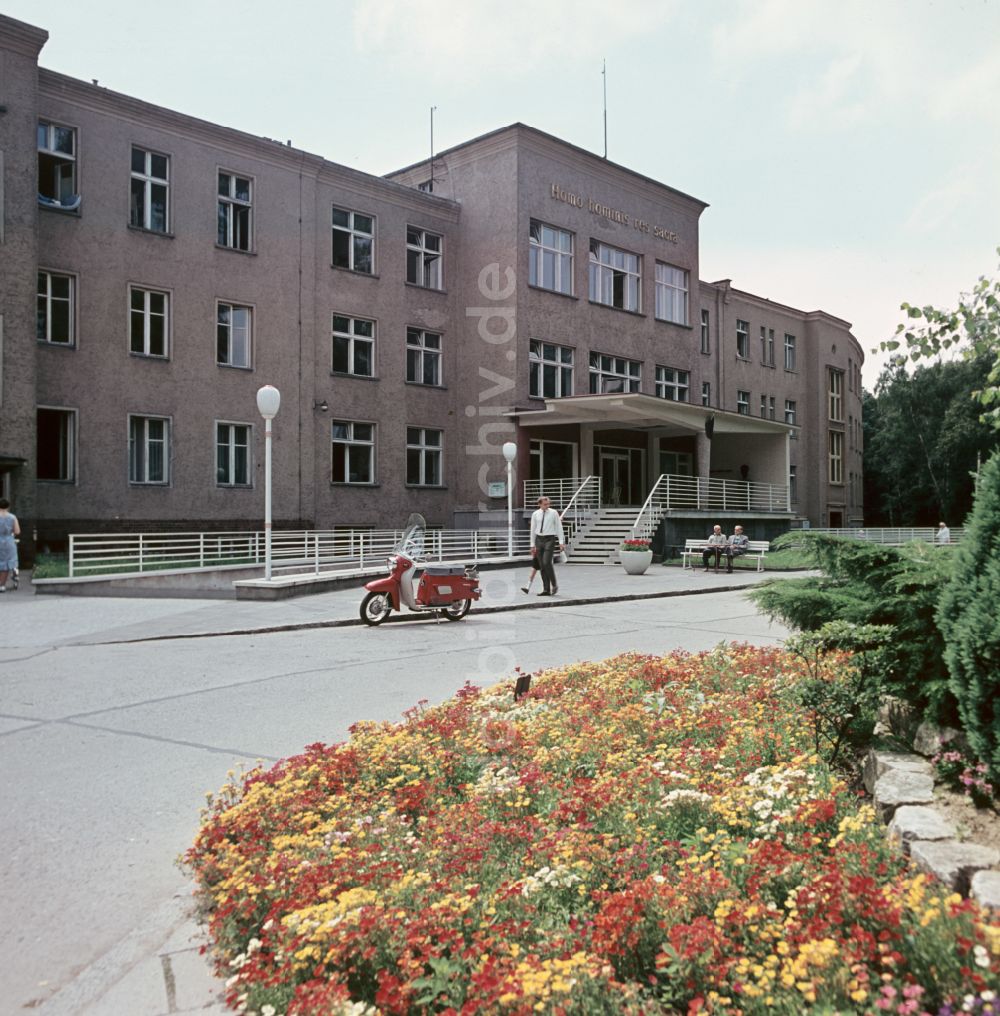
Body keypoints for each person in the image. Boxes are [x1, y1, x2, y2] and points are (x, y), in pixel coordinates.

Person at [529, 496, 565, 596]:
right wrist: (532, 544)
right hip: (539, 540)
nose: (547, 506)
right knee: (541, 566)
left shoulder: (553, 513)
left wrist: (561, 541)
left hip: (550, 539)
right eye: (545, 504)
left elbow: (559, 527)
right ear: (539, 504)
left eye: (548, 504)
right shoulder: (535, 514)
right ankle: (546, 590)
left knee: (546, 562)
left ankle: (554, 584)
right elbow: (533, 530)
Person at [0, 499, 20, 593]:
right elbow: (17, 531)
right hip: (8, 542)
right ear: (8, 506)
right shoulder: (12, 517)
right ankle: (2, 585)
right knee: (6, 563)